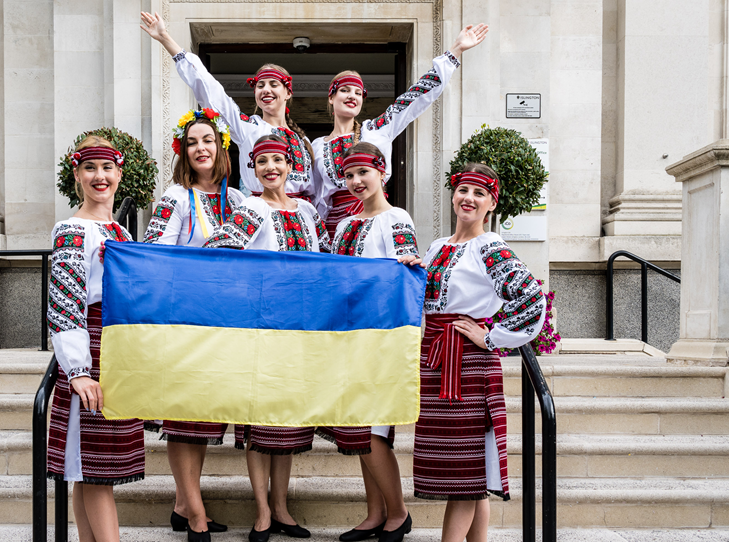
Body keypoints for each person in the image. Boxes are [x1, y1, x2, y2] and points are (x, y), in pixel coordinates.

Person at [204, 136, 330, 542]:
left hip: (301, 329)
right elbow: (219, 248)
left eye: (278, 160)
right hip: (262, 325)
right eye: (262, 162)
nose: (270, 167)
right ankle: (261, 512)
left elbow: (329, 261)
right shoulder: (252, 208)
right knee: (258, 420)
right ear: (253, 169)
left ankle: (281, 508)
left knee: (287, 420)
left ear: (291, 165)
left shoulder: (308, 212)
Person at [411, 163, 545, 542]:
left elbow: (531, 298)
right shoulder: (438, 246)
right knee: (471, 471)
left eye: (479, 193)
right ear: (453, 195)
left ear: (491, 203)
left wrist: (492, 337)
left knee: (465, 472)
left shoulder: (490, 247)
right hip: (436, 358)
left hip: (468, 364)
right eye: (463, 190)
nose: (468, 198)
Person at [142, 108, 244, 541]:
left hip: (223, 321)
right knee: (183, 415)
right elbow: (154, 253)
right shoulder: (176, 197)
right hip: (184, 317)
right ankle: (196, 514)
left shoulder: (238, 201)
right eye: (192, 142)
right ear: (184, 152)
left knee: (203, 415)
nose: (200, 148)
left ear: (221, 146)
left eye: (207, 140)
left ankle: (184, 504)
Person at [46, 136, 145, 542]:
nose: (99, 176)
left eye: (107, 168)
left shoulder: (121, 230)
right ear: (77, 175)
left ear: (120, 174)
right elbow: (64, 301)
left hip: (117, 347)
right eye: (90, 168)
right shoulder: (71, 229)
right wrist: (79, 371)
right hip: (91, 349)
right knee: (95, 469)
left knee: (88, 470)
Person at [318, 142, 417, 542]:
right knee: (359, 429)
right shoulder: (344, 225)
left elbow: (404, 275)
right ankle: (374, 512)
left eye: (364, 172)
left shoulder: (397, 218)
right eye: (349, 175)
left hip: (381, 338)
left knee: (374, 431)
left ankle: (398, 513)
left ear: (382, 172)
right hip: (348, 337)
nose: (356, 181)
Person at [312, 23, 489, 236]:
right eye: (345, 90)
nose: (352, 96)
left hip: (374, 220)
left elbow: (417, 95)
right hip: (333, 228)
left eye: (358, 93)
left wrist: (455, 51)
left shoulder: (375, 129)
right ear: (331, 98)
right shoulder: (317, 146)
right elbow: (314, 195)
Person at [141, 11, 316, 201]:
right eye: (260, 85)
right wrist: (165, 38)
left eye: (273, 85)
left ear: (288, 93)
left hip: (302, 215)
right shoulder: (248, 127)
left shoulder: (302, 139)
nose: (266, 90)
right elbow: (210, 89)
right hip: (265, 211)